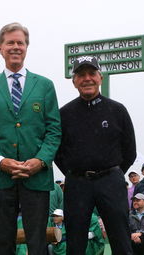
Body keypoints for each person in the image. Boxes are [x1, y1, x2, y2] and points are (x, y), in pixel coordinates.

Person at [0, 22, 61, 255]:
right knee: (3, 241)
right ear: (0, 48)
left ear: (26, 47)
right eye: (10, 42)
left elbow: (54, 130)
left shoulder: (44, 85)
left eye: (20, 43)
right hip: (0, 178)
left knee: (37, 241)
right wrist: (0, 161)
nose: (15, 47)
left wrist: (39, 161)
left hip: (38, 177)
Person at [54, 55, 136, 254]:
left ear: (101, 77)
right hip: (77, 184)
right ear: (74, 82)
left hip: (111, 182)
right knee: (75, 241)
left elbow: (130, 150)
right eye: (81, 75)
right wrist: (76, 173)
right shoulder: (64, 114)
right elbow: (58, 152)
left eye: (92, 73)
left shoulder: (117, 110)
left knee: (121, 240)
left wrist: (112, 172)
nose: (87, 79)